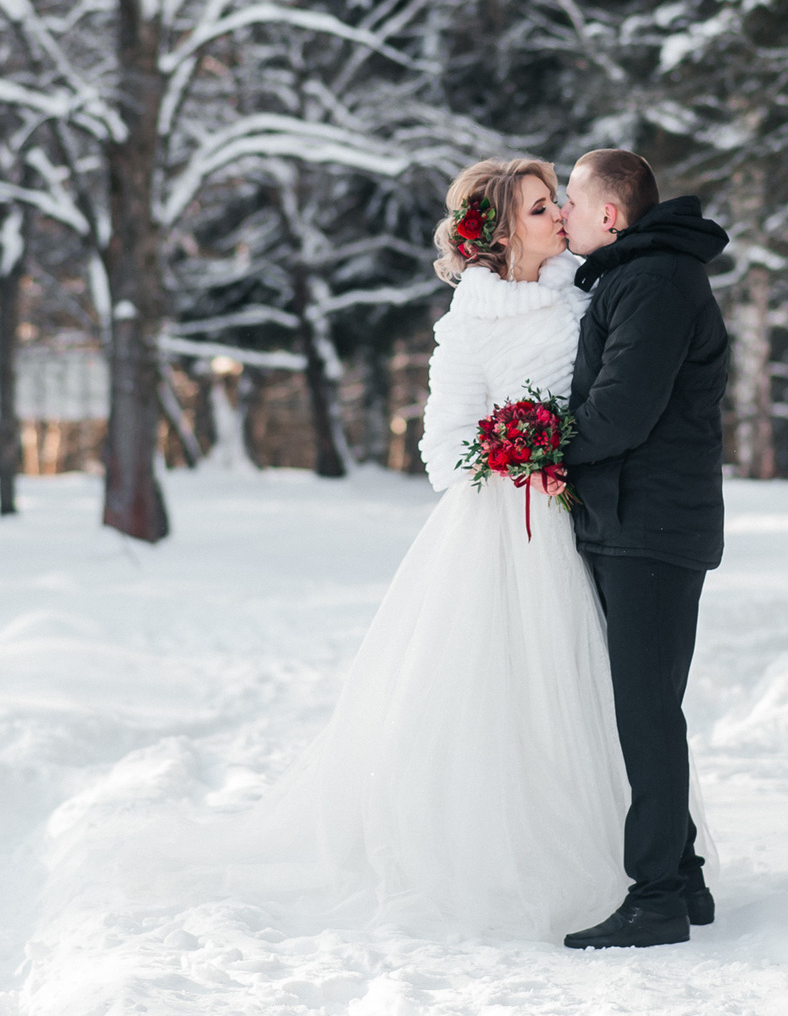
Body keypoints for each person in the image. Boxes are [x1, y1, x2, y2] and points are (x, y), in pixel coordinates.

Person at [224, 158, 629, 938]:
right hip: (502, 532)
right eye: (543, 207)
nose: (561, 215)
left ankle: (614, 848)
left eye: (558, 203)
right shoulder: (471, 322)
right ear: (505, 230)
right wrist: (521, 448)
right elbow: (444, 448)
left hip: (584, 512)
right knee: (503, 693)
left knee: (584, 688)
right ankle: (497, 854)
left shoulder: (587, 289)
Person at [556, 148, 730, 949]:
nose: (561, 212)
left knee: (646, 713)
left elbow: (621, 411)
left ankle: (655, 894)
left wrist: (544, 450)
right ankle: (684, 878)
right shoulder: (641, 275)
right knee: (648, 704)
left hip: (650, 528)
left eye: (571, 200)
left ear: (611, 215)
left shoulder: (654, 282)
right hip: (639, 522)